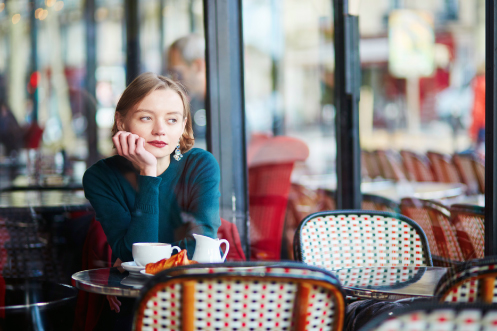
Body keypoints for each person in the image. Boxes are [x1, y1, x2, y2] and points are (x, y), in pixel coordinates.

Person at [82, 72, 220, 326]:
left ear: (183, 126)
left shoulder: (200, 165)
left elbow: (201, 246)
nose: (160, 130)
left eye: (172, 120)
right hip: (134, 301)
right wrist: (148, 173)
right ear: (121, 122)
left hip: (192, 295)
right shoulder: (100, 176)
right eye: (146, 117)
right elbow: (132, 254)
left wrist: (133, 262)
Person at [167, 34, 207, 140]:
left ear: (198, 66)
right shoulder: (190, 102)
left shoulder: (225, 107)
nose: (174, 81)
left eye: (177, 73)